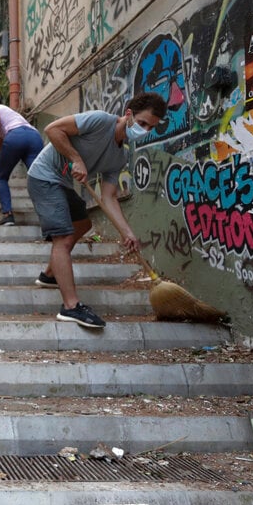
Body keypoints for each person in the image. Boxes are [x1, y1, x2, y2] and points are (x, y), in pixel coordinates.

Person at [29, 91, 167, 328]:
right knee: (62, 238)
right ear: (128, 114)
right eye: (142, 123)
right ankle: (71, 307)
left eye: (150, 128)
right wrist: (76, 159)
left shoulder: (120, 156)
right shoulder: (100, 120)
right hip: (43, 176)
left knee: (83, 224)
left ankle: (50, 275)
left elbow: (109, 197)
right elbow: (52, 129)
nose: (144, 130)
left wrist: (127, 232)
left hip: (62, 182)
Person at [0, 94, 44, 226]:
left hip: (16, 136)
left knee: (2, 177)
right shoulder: (10, 113)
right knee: (39, 178)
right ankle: (48, 218)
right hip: (34, 136)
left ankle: (8, 215)